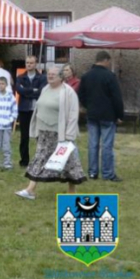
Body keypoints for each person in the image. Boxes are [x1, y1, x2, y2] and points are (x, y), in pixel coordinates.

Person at [15, 66, 86, 200]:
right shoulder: (45, 89)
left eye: (53, 74)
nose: (50, 76)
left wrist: (69, 135)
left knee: (69, 162)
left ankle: (72, 192)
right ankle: (30, 190)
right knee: (40, 158)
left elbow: (73, 114)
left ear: (61, 77)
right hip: (44, 133)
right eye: (49, 74)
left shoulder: (68, 92)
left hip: (60, 134)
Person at [78, 51, 125, 182]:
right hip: (108, 115)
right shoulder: (110, 76)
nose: (109, 64)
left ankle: (93, 172)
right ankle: (107, 173)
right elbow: (116, 97)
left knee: (93, 144)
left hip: (92, 114)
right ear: (105, 60)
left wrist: (89, 106)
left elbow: (81, 94)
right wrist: (119, 114)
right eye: (109, 61)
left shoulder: (86, 76)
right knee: (107, 145)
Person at [15, 56, 46, 168]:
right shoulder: (20, 77)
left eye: (31, 63)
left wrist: (27, 91)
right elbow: (19, 90)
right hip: (24, 110)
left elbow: (42, 91)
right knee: (24, 136)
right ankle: (24, 160)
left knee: (39, 136)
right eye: (27, 63)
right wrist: (33, 90)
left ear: (36, 64)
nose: (29, 65)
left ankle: (40, 159)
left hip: (37, 110)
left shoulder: (42, 77)